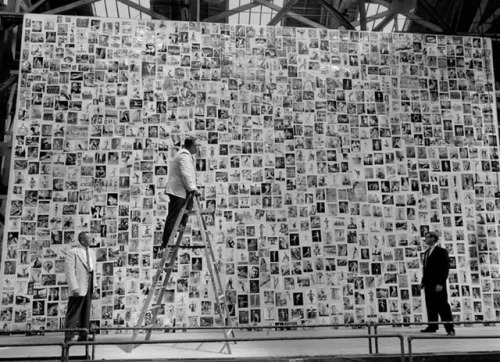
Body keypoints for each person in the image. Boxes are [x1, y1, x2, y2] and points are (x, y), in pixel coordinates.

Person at [161, 136, 200, 248]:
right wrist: (193, 188)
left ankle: (180, 226)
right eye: (196, 146)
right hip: (178, 191)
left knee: (186, 209)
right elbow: (186, 174)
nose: (197, 149)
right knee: (174, 216)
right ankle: (166, 243)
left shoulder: (186, 155)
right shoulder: (184, 156)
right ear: (192, 147)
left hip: (181, 191)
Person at [419, 231, 455, 336]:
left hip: (438, 284)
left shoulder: (441, 251)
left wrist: (440, 283)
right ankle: (432, 325)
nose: (425, 239)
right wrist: (423, 282)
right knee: (430, 305)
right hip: (429, 284)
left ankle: (450, 329)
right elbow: (426, 270)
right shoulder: (426, 252)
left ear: (434, 238)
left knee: (443, 306)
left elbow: (445, 268)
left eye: (427, 237)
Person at [64, 231, 97, 342]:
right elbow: (69, 271)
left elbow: (93, 270)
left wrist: (95, 285)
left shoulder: (92, 252)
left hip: (89, 281)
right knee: (74, 310)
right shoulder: (73, 252)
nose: (91, 240)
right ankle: (69, 336)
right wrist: (74, 287)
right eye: (89, 238)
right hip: (78, 284)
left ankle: (84, 334)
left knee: (86, 310)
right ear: (82, 240)